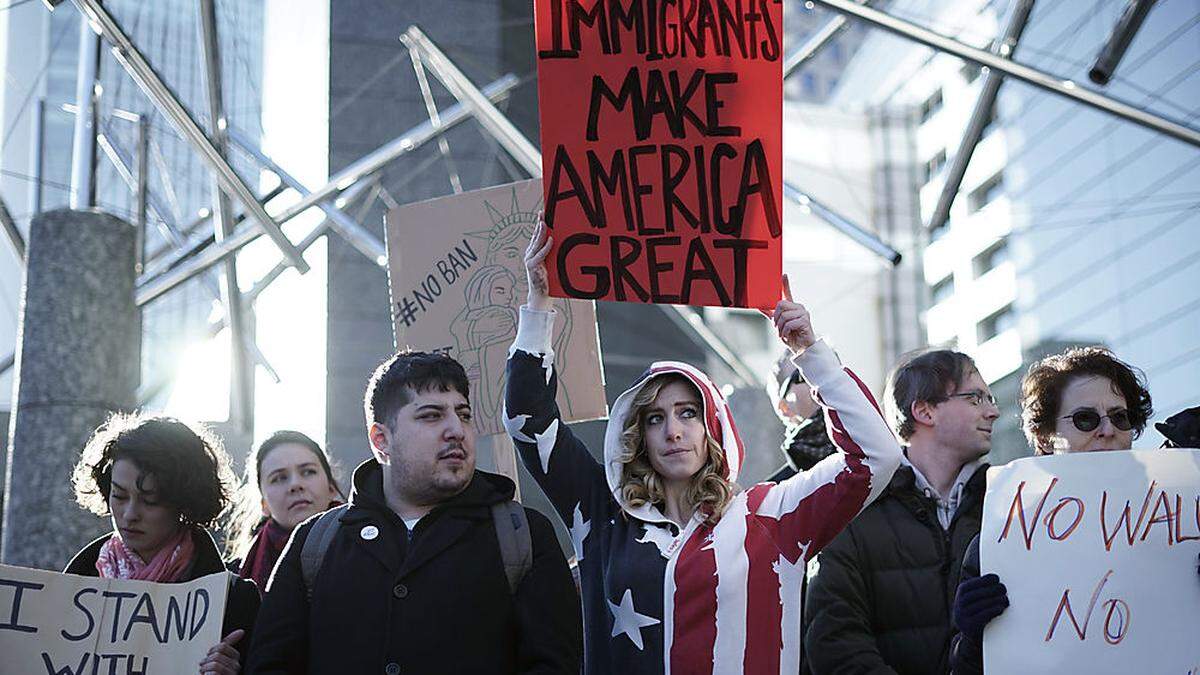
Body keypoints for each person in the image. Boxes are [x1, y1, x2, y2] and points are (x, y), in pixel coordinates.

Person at [503, 221, 902, 674]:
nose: (673, 430)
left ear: (713, 425)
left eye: (688, 413)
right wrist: (538, 304)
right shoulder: (601, 514)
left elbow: (877, 457)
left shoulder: (770, 515)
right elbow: (527, 419)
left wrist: (809, 352)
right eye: (655, 418)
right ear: (637, 437)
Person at [247, 350, 582, 674]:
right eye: (431, 415)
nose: (456, 429)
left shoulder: (523, 535)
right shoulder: (315, 542)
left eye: (463, 414)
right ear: (381, 440)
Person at [950, 346, 1154, 674]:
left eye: (1120, 417)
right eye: (1085, 419)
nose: (1107, 430)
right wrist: (973, 639)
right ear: (1046, 436)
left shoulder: (1179, 526)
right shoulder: (1000, 544)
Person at [804, 348, 998, 674]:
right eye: (975, 398)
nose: (992, 411)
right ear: (924, 410)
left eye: (991, 398)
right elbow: (837, 645)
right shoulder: (853, 511)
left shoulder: (1008, 508)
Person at [68, 413, 260, 675]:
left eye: (150, 500)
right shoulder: (74, 585)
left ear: (184, 502)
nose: (129, 513)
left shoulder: (235, 600)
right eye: (119, 496)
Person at [226, 430, 344, 592]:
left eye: (308, 471)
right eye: (279, 478)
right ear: (264, 503)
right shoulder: (233, 581)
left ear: (331, 487)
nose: (295, 485)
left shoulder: (367, 551)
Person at [766, 350, 837, 481]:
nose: (821, 377)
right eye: (803, 375)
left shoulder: (868, 443)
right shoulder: (777, 493)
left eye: (824, 367)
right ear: (784, 407)